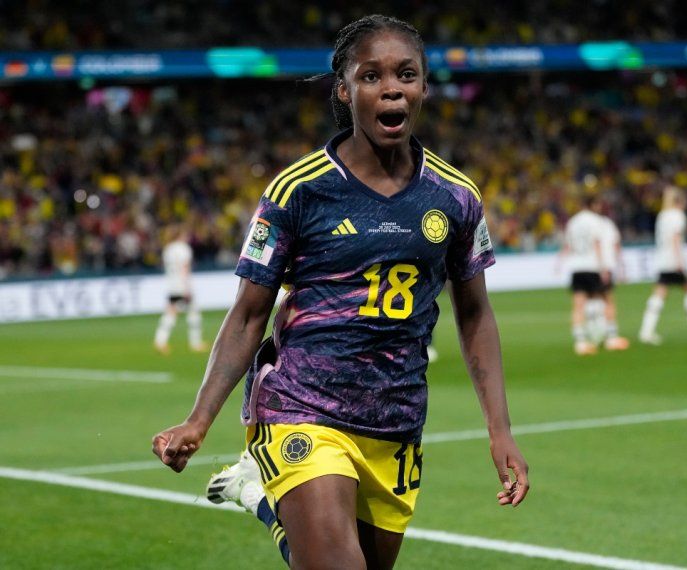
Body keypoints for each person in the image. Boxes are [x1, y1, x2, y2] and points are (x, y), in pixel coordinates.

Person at [151, 14, 529, 570]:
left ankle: (258, 497)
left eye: (406, 74)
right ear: (344, 90)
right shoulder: (298, 190)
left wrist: (500, 431)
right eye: (371, 76)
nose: (391, 88)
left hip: (396, 420)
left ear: (424, 87)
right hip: (301, 407)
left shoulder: (456, 197)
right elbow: (248, 315)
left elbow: (474, 315)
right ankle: (267, 480)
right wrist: (199, 419)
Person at [638, 186, 687, 345]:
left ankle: (646, 331)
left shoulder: (663, 215)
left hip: (662, 259)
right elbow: (676, 238)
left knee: (659, 293)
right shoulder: (678, 216)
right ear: (680, 201)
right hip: (674, 259)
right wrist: (680, 261)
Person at [557, 196, 606, 355]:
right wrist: (603, 267)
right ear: (593, 205)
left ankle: (580, 341)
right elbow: (597, 244)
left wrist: (559, 263)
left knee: (578, 304)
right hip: (591, 265)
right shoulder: (595, 221)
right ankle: (597, 334)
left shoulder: (573, 222)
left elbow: (568, 245)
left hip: (577, 266)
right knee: (596, 300)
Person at [153, 225, 208, 354]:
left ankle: (160, 341)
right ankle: (196, 343)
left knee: (170, 312)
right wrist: (187, 287)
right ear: (180, 235)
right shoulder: (184, 249)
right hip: (182, 285)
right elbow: (185, 269)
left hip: (172, 284)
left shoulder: (168, 249)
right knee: (194, 312)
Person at [595, 210, 630, 351]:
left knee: (593, 300)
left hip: (590, 266)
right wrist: (621, 268)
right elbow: (616, 246)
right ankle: (611, 335)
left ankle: (597, 334)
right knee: (608, 300)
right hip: (605, 265)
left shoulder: (586, 223)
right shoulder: (608, 224)